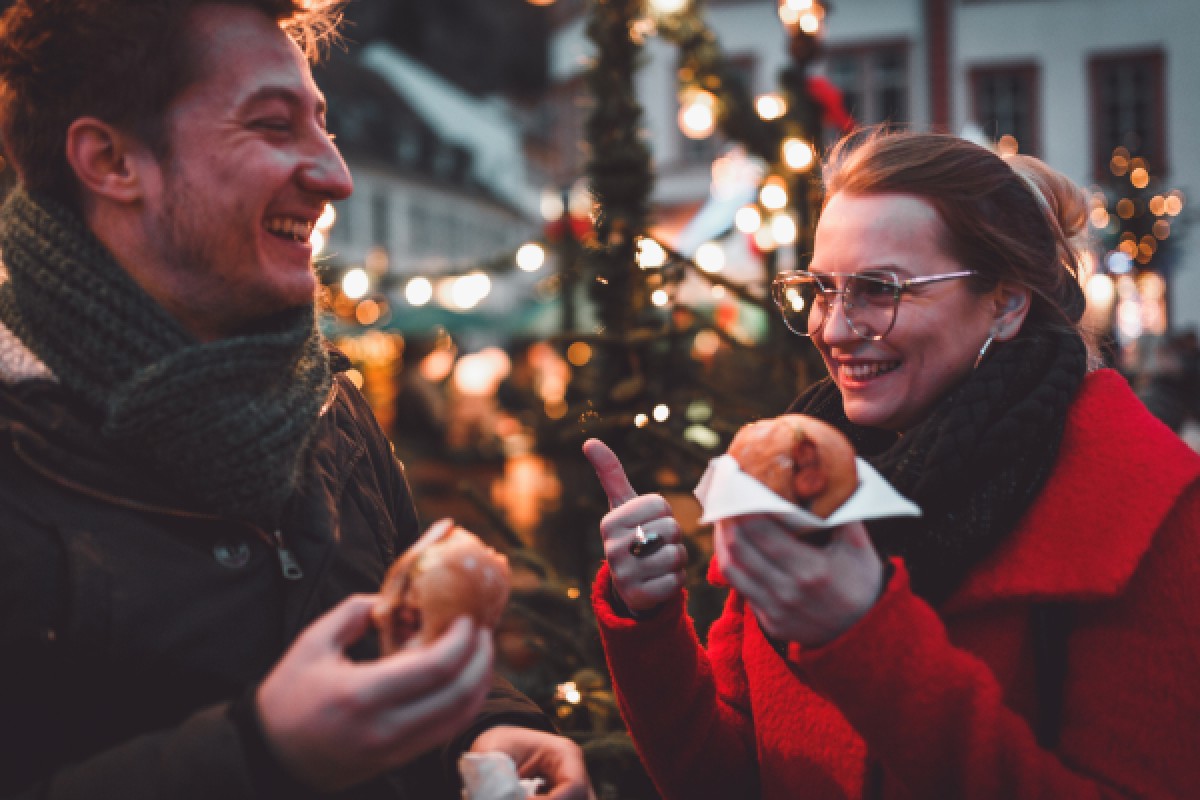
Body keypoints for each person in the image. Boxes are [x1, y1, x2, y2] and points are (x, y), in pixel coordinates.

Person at [0, 1, 593, 798]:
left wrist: (487, 723)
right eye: (274, 126)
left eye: (325, 126)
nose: (336, 177)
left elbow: (401, 633)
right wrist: (261, 757)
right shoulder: (21, 451)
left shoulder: (329, 407)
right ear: (111, 161)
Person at [583, 130, 1200, 798]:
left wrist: (865, 634)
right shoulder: (798, 476)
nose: (835, 328)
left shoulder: (1149, 509)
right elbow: (727, 779)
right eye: (822, 288)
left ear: (1006, 302)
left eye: (879, 288)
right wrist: (648, 622)